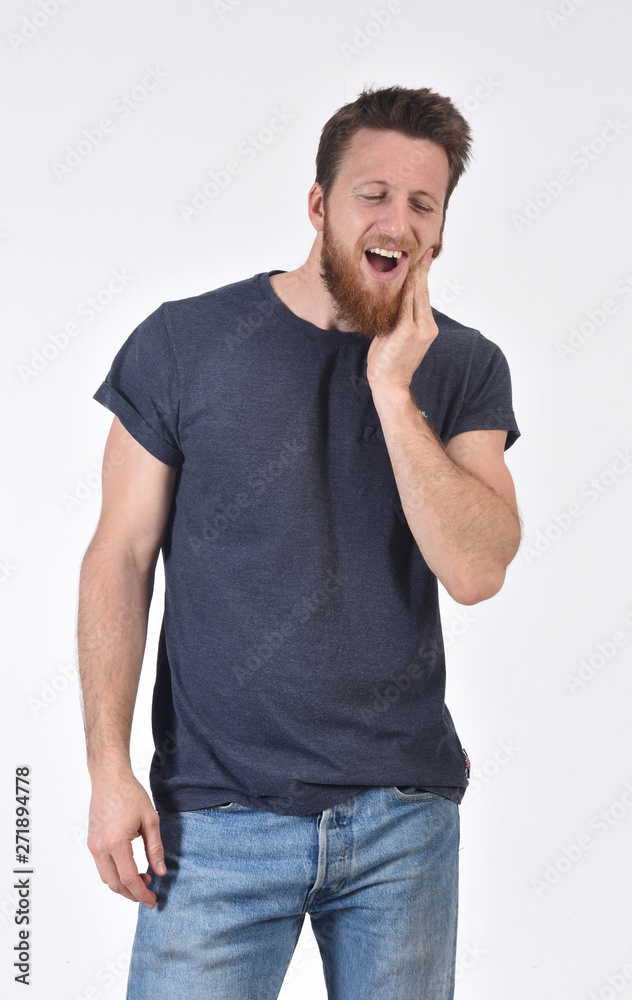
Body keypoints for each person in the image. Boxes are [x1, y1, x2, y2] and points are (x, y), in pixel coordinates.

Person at [77, 84, 521, 1000]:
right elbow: (118, 556)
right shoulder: (183, 344)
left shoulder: (465, 366)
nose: (396, 218)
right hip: (215, 824)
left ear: (438, 235)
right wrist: (108, 769)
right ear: (319, 205)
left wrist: (395, 390)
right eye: (373, 193)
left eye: (422, 204)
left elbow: (477, 569)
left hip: (403, 821)